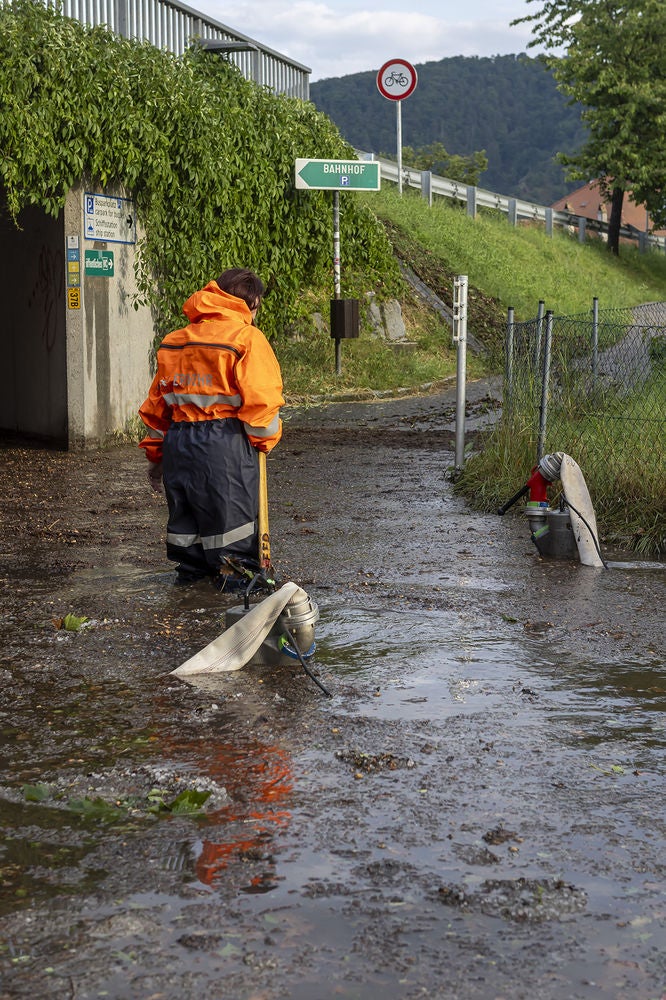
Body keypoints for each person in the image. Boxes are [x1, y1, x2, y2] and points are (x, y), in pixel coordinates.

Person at [138, 268, 284, 588]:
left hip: (178, 445)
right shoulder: (246, 339)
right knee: (235, 551)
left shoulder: (175, 342)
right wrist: (264, 442)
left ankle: (188, 613)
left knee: (190, 548)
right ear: (252, 302)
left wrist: (156, 458)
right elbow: (261, 409)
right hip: (225, 447)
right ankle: (238, 620)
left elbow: (157, 409)